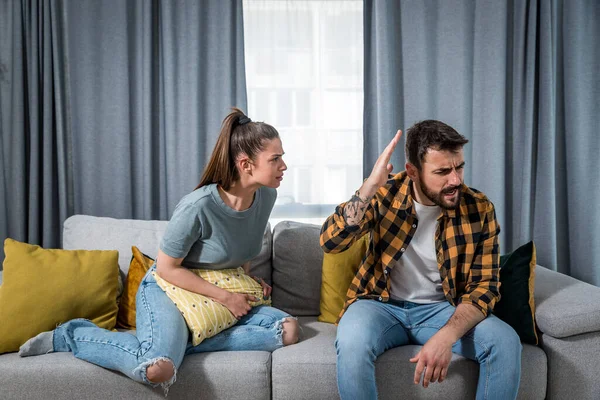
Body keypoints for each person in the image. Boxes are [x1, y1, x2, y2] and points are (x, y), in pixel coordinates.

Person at [19, 108, 300, 393]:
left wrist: (246, 284)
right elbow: (167, 269)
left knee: (287, 330)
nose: (284, 166)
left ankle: (182, 342)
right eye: (275, 159)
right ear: (246, 164)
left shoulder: (266, 196)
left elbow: (241, 248)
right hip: (169, 289)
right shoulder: (197, 206)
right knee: (158, 369)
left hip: (216, 291)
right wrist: (227, 298)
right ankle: (71, 335)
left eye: (282, 157)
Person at [320, 120, 521, 400]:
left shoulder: (479, 208)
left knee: (505, 341)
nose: (456, 180)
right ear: (412, 171)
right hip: (380, 306)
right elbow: (331, 241)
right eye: (442, 171)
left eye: (459, 167)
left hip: (443, 310)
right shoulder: (384, 195)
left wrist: (446, 336)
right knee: (352, 341)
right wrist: (367, 188)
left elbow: (485, 287)